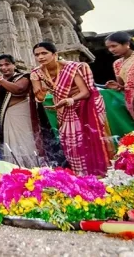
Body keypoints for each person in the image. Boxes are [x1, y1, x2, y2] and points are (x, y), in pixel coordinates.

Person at [30, 42, 114, 176]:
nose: (40, 57)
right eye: (37, 55)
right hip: (63, 108)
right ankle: (81, 174)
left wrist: (70, 100)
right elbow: (39, 96)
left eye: (44, 53)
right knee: (71, 143)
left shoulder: (70, 68)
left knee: (91, 138)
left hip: (83, 104)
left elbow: (85, 92)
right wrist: (41, 94)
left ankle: (101, 173)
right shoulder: (36, 73)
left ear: (55, 54)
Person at [0, 55, 47, 168]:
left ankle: (33, 169)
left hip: (21, 115)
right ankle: (16, 171)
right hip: (7, 117)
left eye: (7, 64)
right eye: (0, 66)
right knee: (11, 145)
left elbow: (18, 89)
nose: (4, 68)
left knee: (26, 143)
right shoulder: (1, 82)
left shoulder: (23, 77)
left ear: (14, 65)